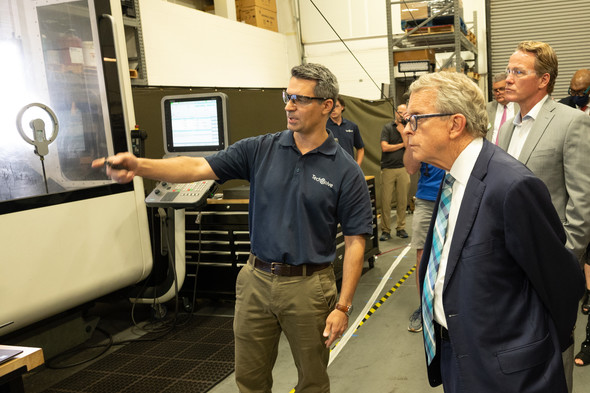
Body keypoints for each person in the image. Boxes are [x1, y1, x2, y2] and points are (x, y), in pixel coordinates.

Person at [92, 63, 374, 393]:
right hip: (256, 281)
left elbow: (356, 240)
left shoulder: (344, 170)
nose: (288, 105)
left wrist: (342, 306)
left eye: (299, 98)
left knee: (312, 380)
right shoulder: (260, 149)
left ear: (326, 105)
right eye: (287, 96)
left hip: (309, 287)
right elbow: (197, 166)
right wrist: (141, 166)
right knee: (250, 378)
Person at [405, 71, 584, 393]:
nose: (407, 129)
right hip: (458, 358)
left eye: (416, 119)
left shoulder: (511, 187)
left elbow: (562, 281)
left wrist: (531, 353)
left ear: (455, 124)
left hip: (509, 375)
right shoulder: (451, 178)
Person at [498, 41, 590, 387]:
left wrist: (566, 258)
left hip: (552, 264)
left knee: (554, 353)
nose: (508, 78)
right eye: (508, 70)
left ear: (543, 80)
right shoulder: (508, 128)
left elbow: (583, 200)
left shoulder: (570, 123)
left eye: (518, 72)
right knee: (521, 352)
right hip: (511, 263)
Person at [400, 106, 444, 333]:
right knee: (422, 253)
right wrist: (409, 137)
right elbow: (410, 167)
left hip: (453, 193)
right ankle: (424, 307)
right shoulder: (415, 133)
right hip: (427, 200)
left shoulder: (447, 124)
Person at [379, 105, 411, 241]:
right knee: (385, 202)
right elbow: (384, 147)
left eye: (404, 112)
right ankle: (385, 230)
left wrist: (403, 133)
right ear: (395, 113)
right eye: (399, 112)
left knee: (402, 201)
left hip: (403, 168)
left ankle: (401, 228)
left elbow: (410, 146)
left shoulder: (409, 128)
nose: (401, 114)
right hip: (388, 169)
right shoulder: (387, 127)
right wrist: (401, 145)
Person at [326, 96, 365, 165]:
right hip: (329, 168)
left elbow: (360, 149)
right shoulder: (323, 126)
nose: (333, 109)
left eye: (336, 106)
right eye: (331, 107)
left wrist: (357, 166)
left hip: (348, 168)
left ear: (342, 107)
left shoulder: (352, 126)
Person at [485, 72, 518, 144]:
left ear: (509, 87)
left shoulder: (521, 107)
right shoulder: (487, 108)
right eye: (495, 90)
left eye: (501, 89)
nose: (498, 93)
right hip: (492, 152)